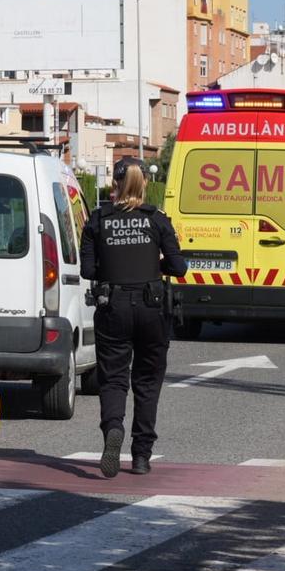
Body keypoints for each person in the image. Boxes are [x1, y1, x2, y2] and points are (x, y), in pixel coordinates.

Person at [80, 159, 187, 477]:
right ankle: (141, 456)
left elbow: (87, 270)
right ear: (143, 184)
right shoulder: (157, 219)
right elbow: (180, 268)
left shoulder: (98, 220)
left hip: (112, 305)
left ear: (114, 185)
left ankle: (114, 428)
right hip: (151, 305)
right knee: (147, 382)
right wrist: (156, 267)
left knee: (113, 379)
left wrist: (111, 269)